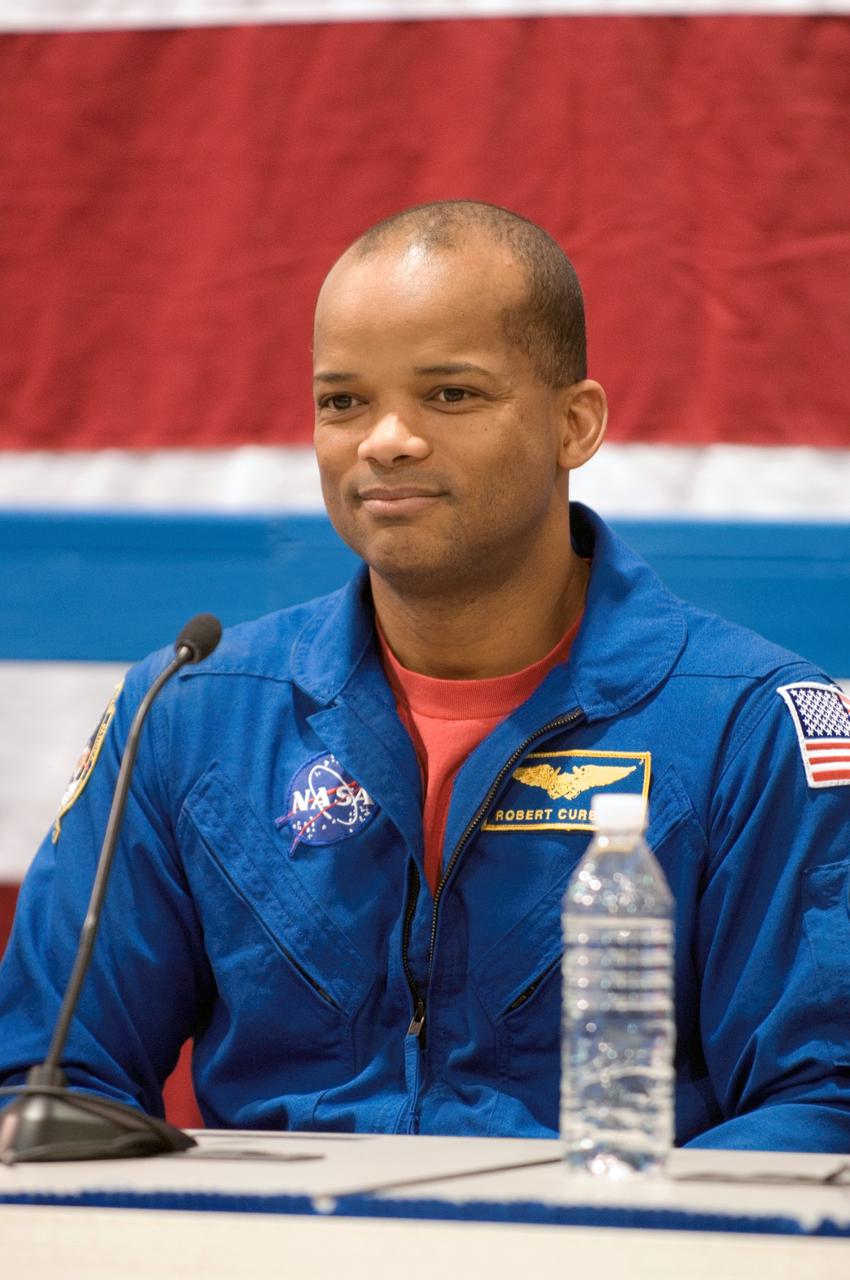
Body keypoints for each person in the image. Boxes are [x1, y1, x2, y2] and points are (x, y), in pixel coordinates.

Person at [1, 200, 849, 1149]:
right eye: (342, 401)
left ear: (576, 425)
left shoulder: (749, 727)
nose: (384, 440)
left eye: (450, 394)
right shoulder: (189, 712)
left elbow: (822, 1106)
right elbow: (49, 1085)